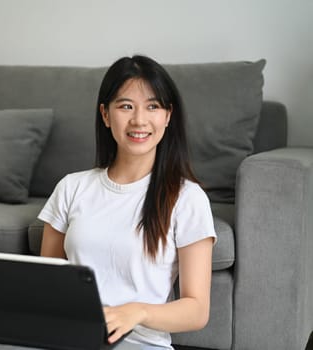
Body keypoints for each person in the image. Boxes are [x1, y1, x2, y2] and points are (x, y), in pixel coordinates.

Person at [38, 55, 216, 350]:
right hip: (69, 339)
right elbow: (48, 282)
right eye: (125, 106)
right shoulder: (71, 187)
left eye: (153, 106)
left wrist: (138, 311)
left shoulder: (187, 198)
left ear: (168, 116)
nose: (139, 120)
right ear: (106, 115)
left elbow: (197, 310)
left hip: (141, 345)